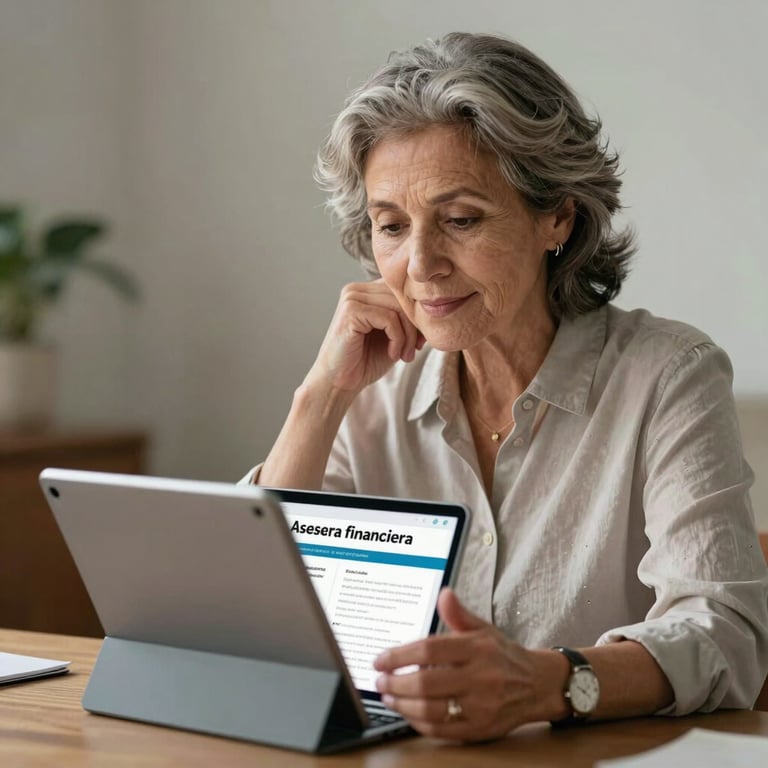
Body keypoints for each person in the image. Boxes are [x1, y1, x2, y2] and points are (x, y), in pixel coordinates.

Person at [244, 32, 768, 741]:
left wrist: (546, 684)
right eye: (390, 226)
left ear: (558, 216)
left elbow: (726, 634)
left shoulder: (668, 373)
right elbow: (252, 617)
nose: (420, 264)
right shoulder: (370, 384)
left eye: (460, 220)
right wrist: (319, 397)